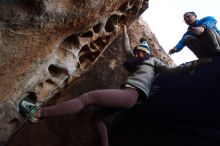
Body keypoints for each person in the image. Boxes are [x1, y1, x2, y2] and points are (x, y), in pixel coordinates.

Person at [19, 25, 211, 146]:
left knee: (87, 98)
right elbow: (127, 49)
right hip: (127, 96)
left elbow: (171, 71)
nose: (137, 54)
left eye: (141, 52)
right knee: (97, 119)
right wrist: (125, 31)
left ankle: (39, 113)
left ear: (147, 53)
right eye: (136, 51)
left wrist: (193, 64)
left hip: (130, 95)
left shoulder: (153, 62)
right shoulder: (135, 59)